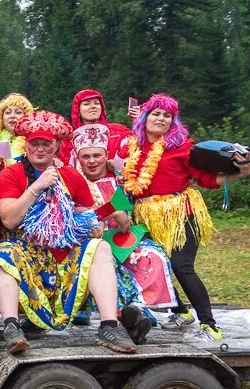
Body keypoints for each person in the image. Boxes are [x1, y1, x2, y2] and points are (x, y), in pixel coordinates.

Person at [0, 111, 141, 355]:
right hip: (26, 250)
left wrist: (104, 217)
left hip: (63, 251)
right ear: (25, 145)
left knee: (100, 246)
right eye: (34, 143)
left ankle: (109, 325)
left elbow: (85, 212)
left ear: (56, 146)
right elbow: (8, 219)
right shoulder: (11, 174)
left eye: (46, 144)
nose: (39, 149)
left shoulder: (71, 175)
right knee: (2, 255)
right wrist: (37, 186)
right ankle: (11, 326)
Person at [122, 94, 250, 342]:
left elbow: (207, 179)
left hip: (181, 212)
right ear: (144, 117)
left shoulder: (181, 147)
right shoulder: (135, 148)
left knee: (181, 266)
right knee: (150, 265)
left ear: (173, 121)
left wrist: (241, 173)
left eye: (167, 116)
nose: (161, 119)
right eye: (156, 114)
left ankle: (210, 326)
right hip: (146, 215)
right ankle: (181, 312)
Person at [73, 123, 175, 343]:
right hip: (92, 243)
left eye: (97, 155)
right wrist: (112, 212)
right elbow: (76, 213)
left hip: (124, 238)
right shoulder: (73, 181)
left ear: (106, 155)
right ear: (78, 158)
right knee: (111, 264)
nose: (92, 161)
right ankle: (124, 320)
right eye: (86, 156)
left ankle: (136, 311)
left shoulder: (121, 177)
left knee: (152, 256)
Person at [59, 89, 133, 167]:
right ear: (78, 111)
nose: (93, 106)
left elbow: (138, 153)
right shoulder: (69, 140)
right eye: (87, 104)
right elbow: (63, 168)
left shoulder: (119, 132)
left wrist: (140, 121)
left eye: (97, 103)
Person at [0, 93, 35, 162]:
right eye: (8, 112)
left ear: (27, 117)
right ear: (2, 118)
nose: (12, 116)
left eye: (18, 112)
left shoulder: (33, 141)